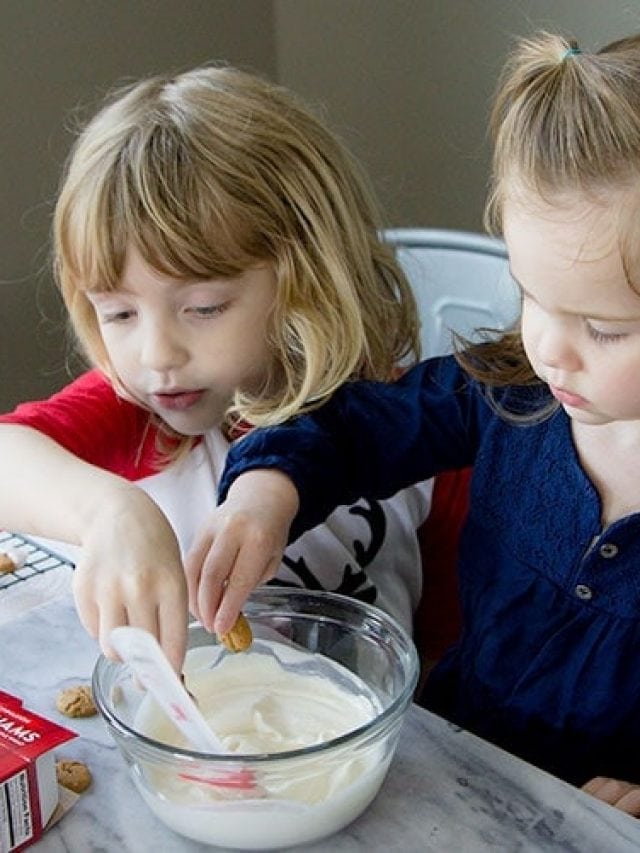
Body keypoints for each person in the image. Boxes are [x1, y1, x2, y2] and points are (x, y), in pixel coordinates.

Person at [202, 32, 640, 814]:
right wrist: (266, 490)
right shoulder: (512, 392)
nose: (548, 347)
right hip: (444, 761)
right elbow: (355, 428)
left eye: (603, 327)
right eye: (531, 294)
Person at [0, 63, 437, 672]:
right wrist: (111, 512)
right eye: (119, 314)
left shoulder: (414, 412)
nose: (157, 355)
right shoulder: (143, 405)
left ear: (308, 275)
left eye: (202, 308)